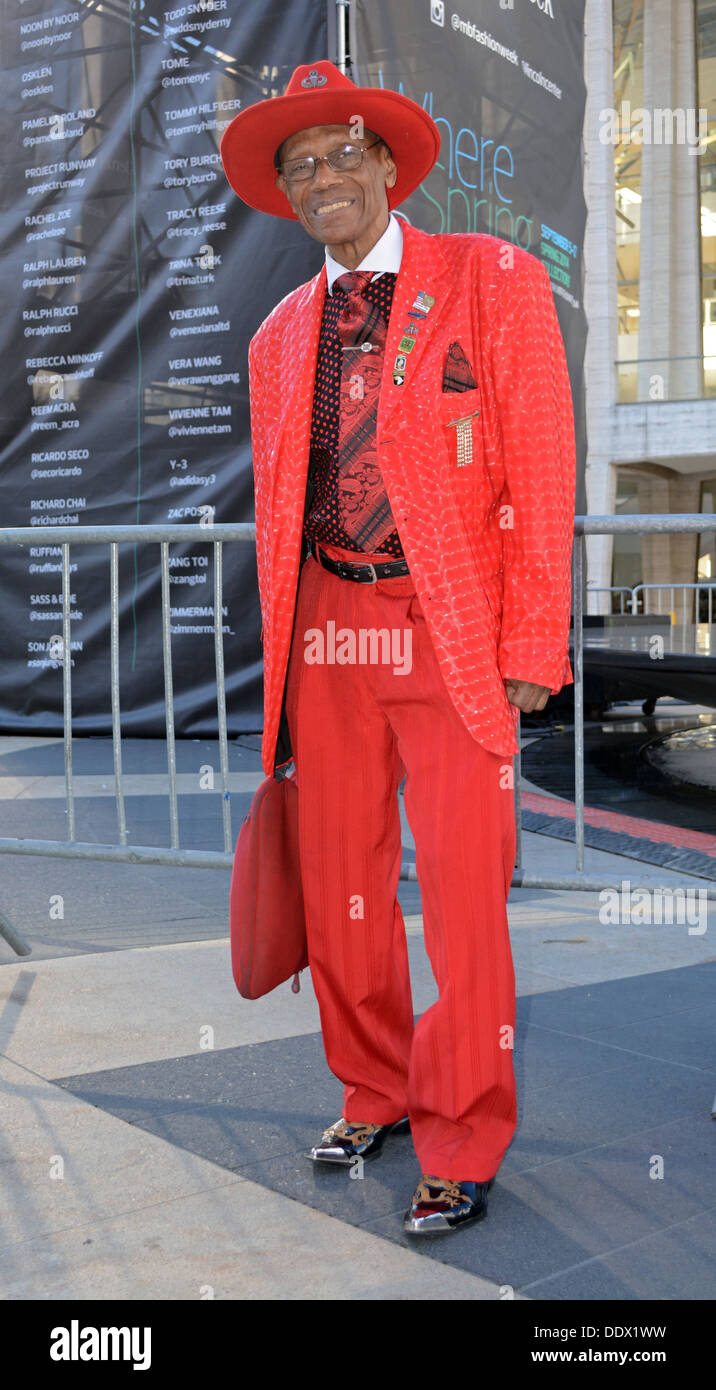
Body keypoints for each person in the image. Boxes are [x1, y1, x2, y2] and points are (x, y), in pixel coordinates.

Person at [220, 59, 575, 1236]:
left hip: (450, 621)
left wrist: (533, 633)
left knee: (465, 893)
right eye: (297, 165)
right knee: (342, 884)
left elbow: (537, 462)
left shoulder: (491, 276)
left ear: (384, 164)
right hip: (323, 624)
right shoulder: (277, 334)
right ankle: (374, 1085)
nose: (320, 177)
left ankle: (464, 1126)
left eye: (338, 154)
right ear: (284, 194)